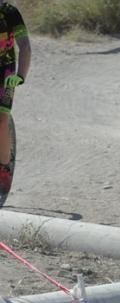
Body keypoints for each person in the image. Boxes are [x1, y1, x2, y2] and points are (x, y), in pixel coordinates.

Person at [0, 0, 29, 195]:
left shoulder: (9, 11)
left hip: (4, 73)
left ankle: (3, 168)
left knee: (0, 120)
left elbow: (25, 46)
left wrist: (21, 75)